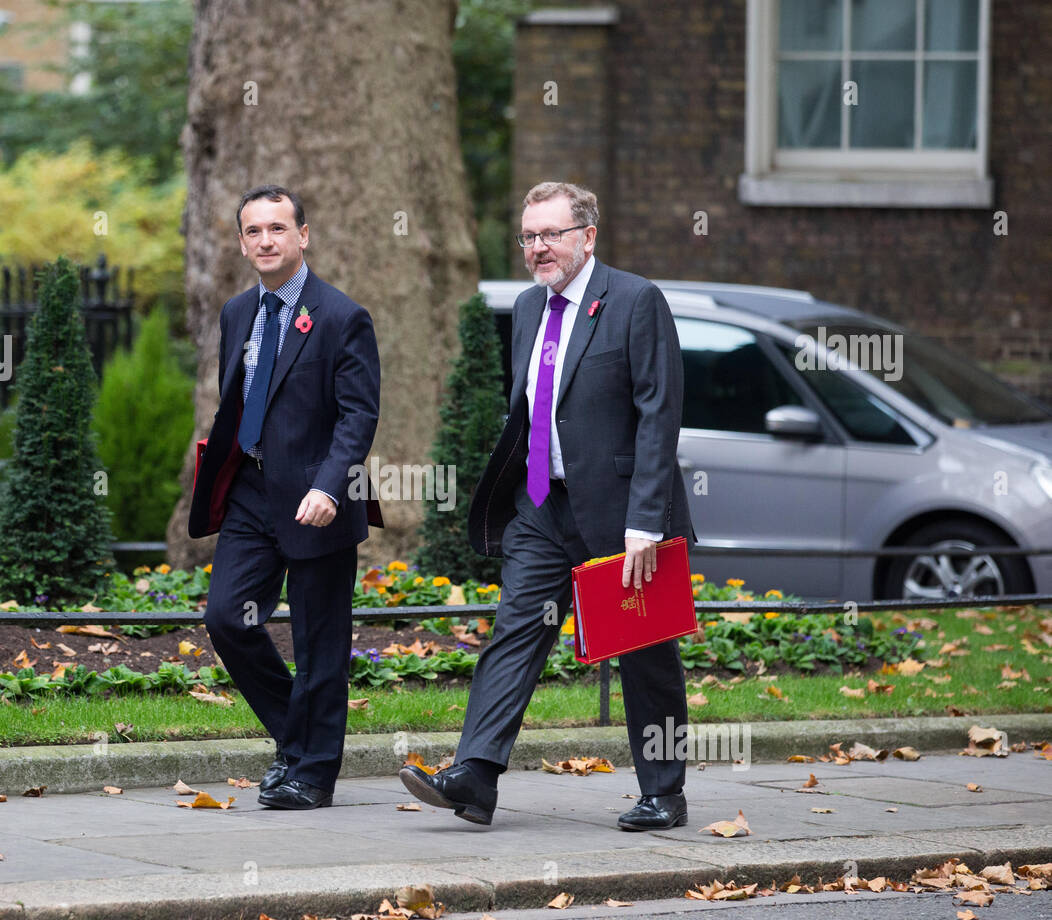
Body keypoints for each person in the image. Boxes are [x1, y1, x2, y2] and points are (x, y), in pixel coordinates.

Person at [400, 181, 696, 830]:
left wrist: (648, 520)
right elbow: (530, 408)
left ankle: (663, 792)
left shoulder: (635, 301)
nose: (538, 248)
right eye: (529, 236)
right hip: (540, 507)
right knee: (514, 633)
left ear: (587, 237)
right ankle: (474, 778)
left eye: (551, 234)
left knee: (644, 652)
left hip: (622, 514)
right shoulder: (530, 309)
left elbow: (658, 415)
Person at [189, 184, 381, 810]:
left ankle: (313, 775)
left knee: (320, 640)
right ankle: (298, 741)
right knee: (226, 617)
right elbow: (240, 399)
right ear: (243, 242)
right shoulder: (237, 313)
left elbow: (358, 415)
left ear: (304, 235)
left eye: (278, 229)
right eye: (253, 231)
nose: (266, 241)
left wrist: (331, 485)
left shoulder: (341, 316)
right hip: (250, 493)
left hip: (319, 497)